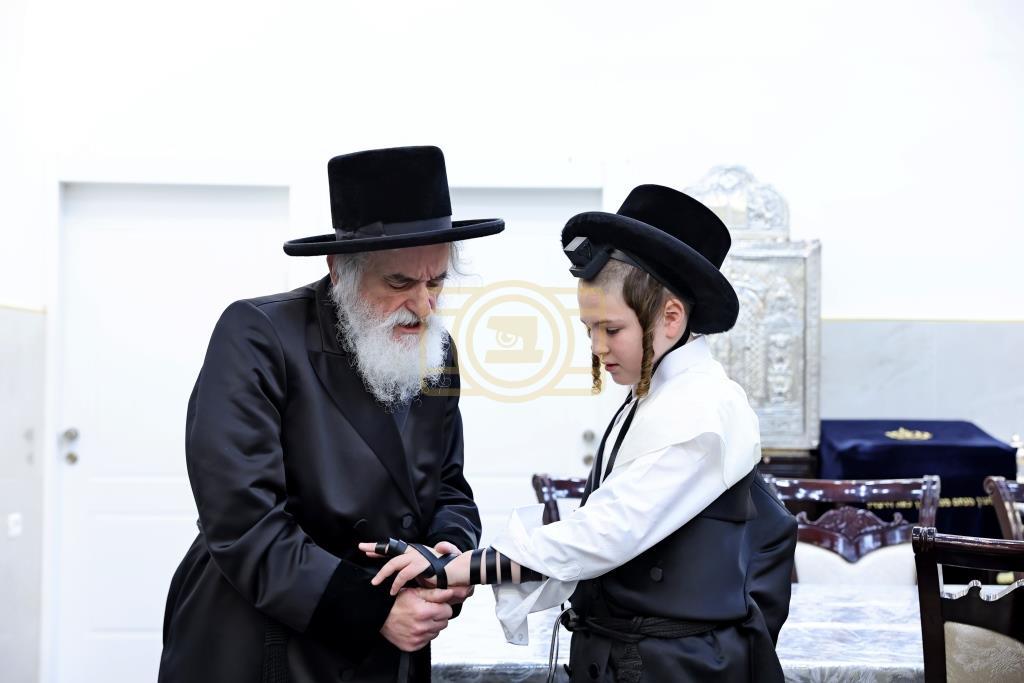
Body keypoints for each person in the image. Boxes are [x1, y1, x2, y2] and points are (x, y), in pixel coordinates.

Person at [362, 184, 798, 682]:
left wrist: (465, 567)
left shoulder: (705, 407)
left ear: (671, 318)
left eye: (611, 330)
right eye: (589, 329)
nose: (597, 347)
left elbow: (607, 532)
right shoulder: (657, 394)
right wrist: (466, 561)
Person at [158, 146, 504, 683]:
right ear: (340, 269)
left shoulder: (436, 349)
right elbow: (242, 521)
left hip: (389, 645)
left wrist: (445, 557)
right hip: (270, 639)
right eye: (400, 284)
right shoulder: (258, 335)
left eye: (436, 282)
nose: (424, 306)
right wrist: (372, 610)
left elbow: (449, 489)